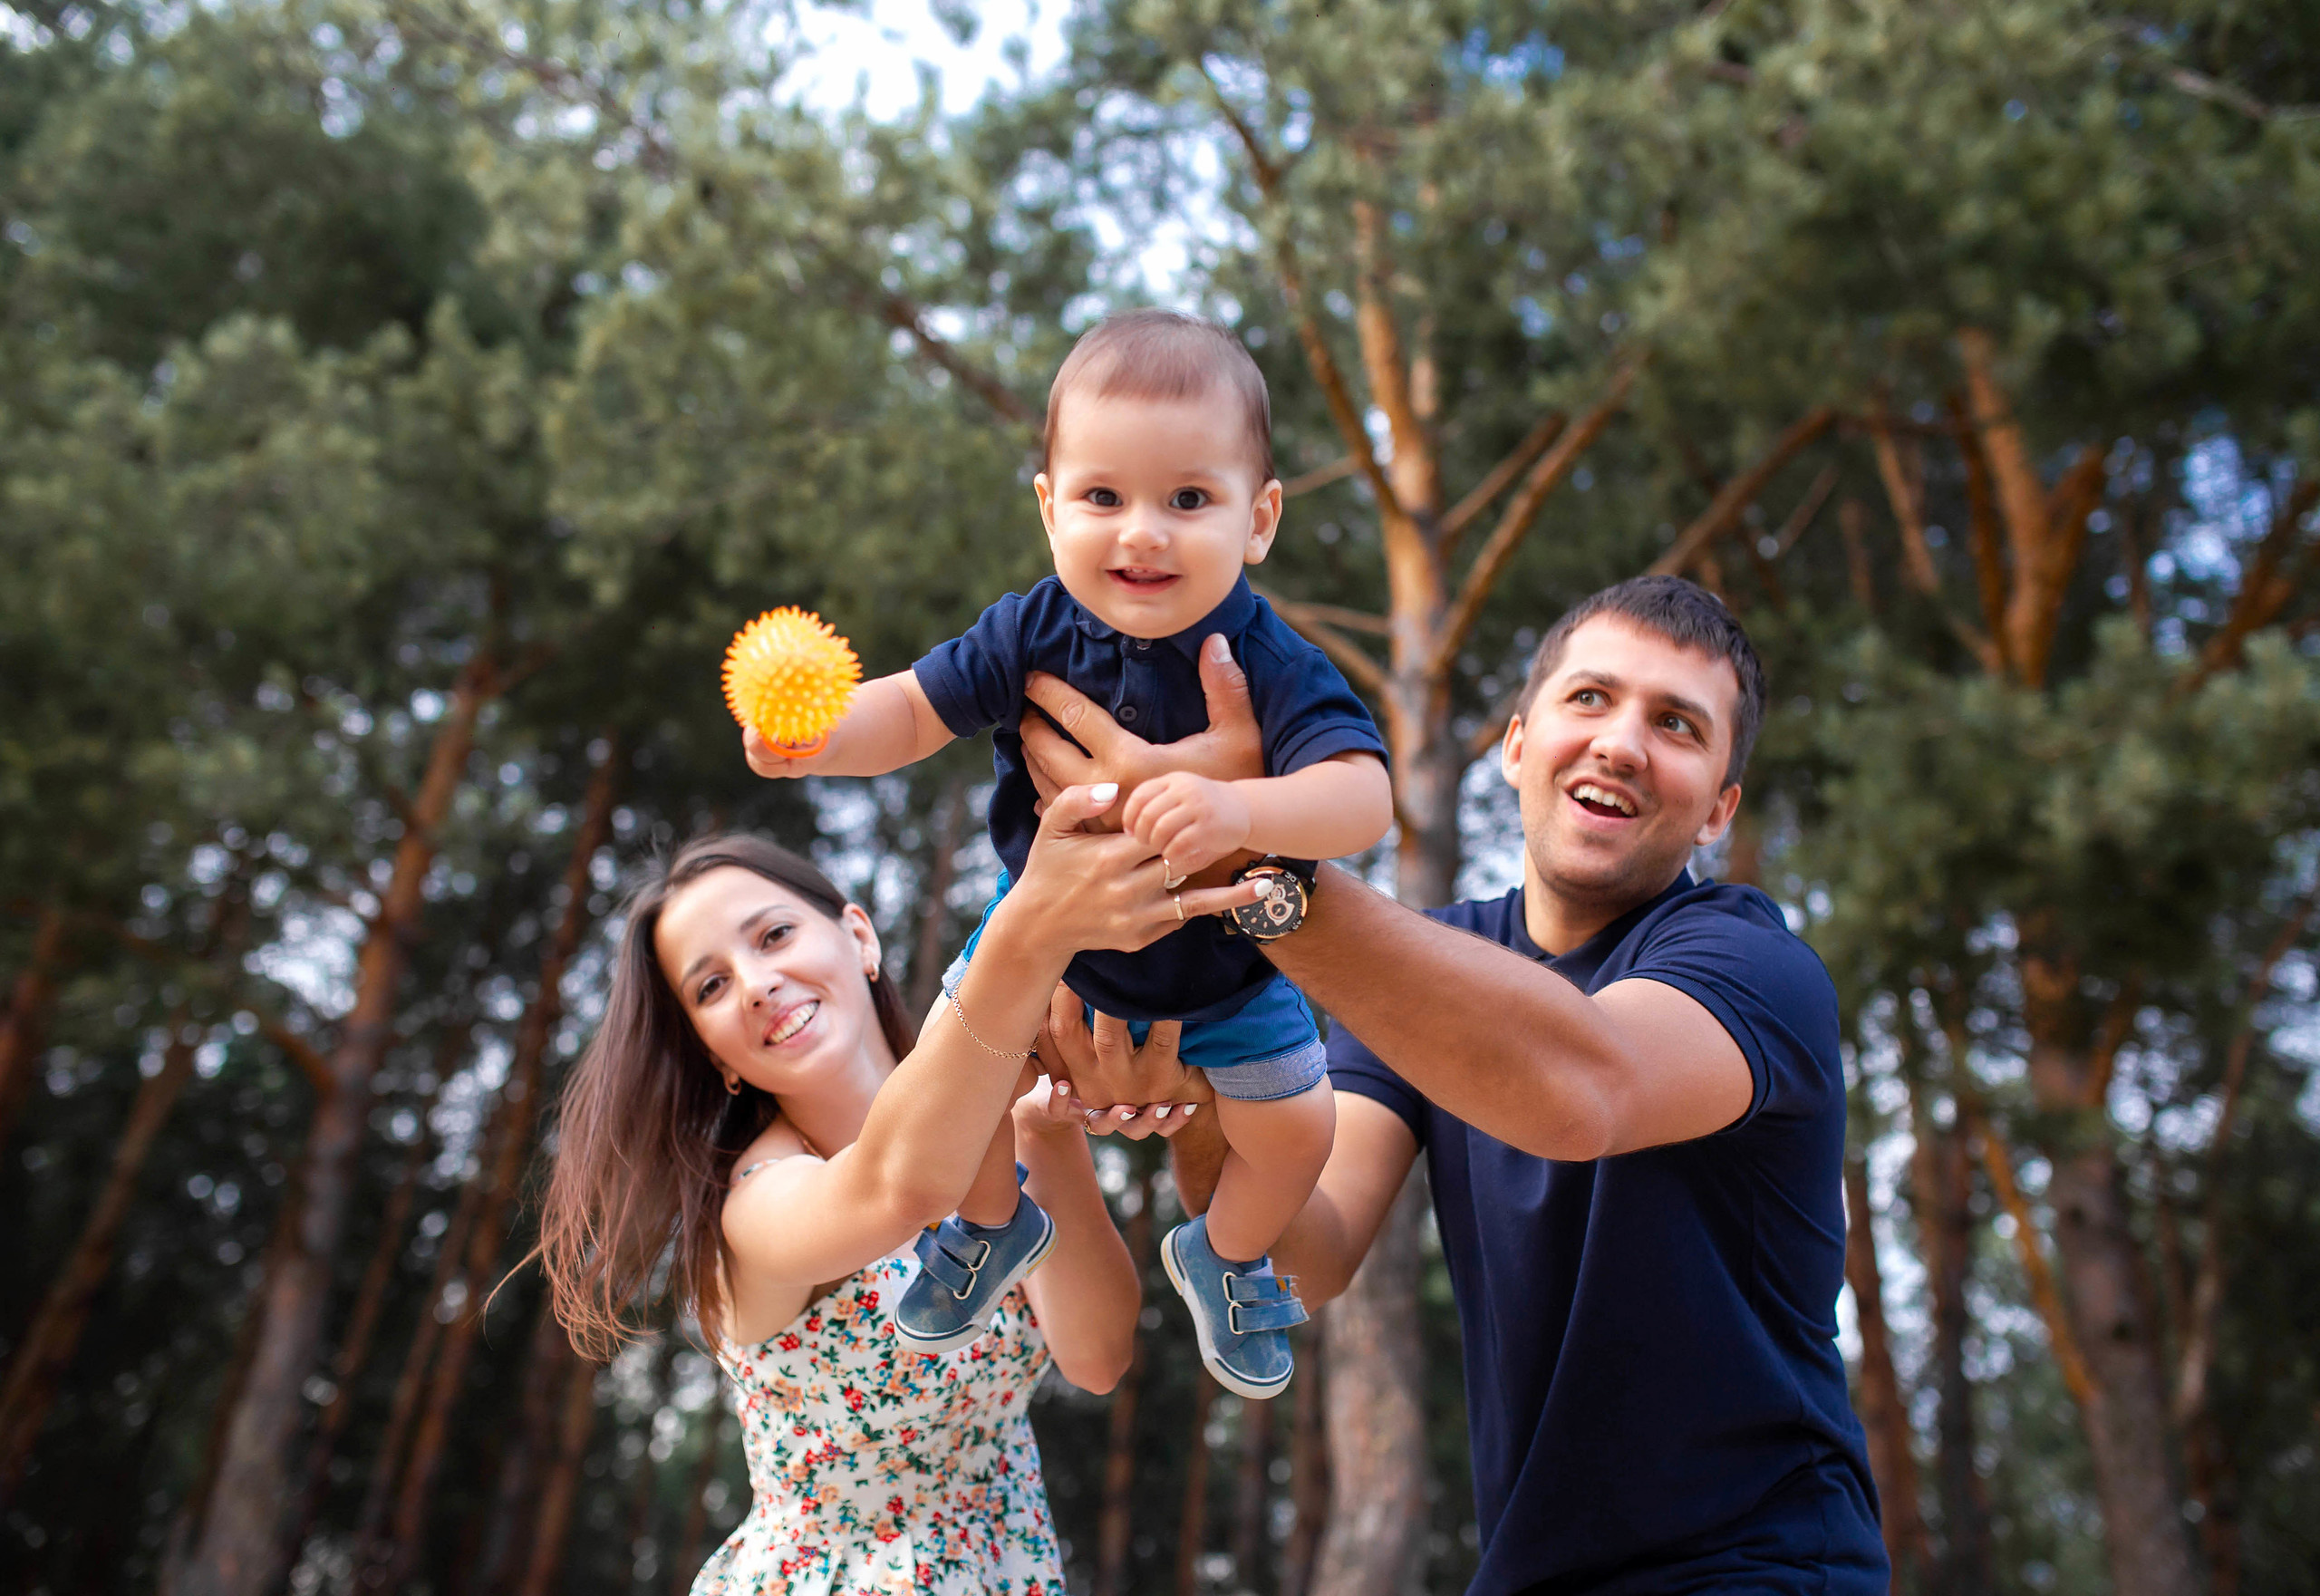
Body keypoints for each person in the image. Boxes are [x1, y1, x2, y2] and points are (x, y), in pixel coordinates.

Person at [1022, 576, 1890, 1594]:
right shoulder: (1433, 970)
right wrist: (1199, 1098)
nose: (1621, 742)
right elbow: (1307, 1253)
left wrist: (1247, 859)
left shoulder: (1754, 967)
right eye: (1590, 699)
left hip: (1757, 1567)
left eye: (1677, 725)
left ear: (1717, 810)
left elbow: (1578, 1089)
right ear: (1515, 747)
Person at [741, 309, 1393, 1398]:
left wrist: (1244, 811)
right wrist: (819, 740)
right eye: (1102, 497)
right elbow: (908, 710)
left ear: (1260, 518)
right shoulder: (1027, 631)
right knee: (961, 1092)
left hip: (1226, 970)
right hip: (1043, 952)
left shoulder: (1268, 659)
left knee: (1301, 1127)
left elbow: (1360, 797)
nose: (1141, 533)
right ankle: (992, 1227)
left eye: (1188, 500)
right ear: (1049, 509)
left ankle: (1222, 1256)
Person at [537, 787, 1246, 1595]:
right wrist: (1031, 929)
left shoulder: (998, 1126)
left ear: (859, 936)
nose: (758, 982)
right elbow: (896, 1187)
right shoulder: (756, 1205)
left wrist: (1044, 1129)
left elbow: (1096, 1355)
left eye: (773, 935)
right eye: (710, 988)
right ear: (716, 1057)